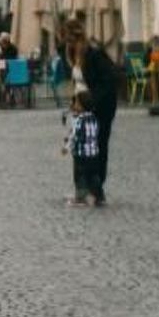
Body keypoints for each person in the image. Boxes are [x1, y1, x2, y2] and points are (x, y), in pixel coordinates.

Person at [63, 20, 122, 201]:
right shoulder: (70, 54)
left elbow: (110, 79)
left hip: (101, 106)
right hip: (81, 107)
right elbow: (77, 82)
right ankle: (81, 186)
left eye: (66, 38)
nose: (65, 43)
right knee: (79, 144)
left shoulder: (94, 54)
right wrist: (75, 102)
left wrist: (91, 100)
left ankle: (96, 186)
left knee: (98, 144)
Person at [62, 87, 107, 207]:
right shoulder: (94, 118)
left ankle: (81, 197)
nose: (74, 105)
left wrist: (66, 148)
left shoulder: (79, 120)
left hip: (81, 155)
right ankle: (99, 195)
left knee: (80, 175)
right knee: (94, 176)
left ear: (82, 105)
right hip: (93, 154)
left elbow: (74, 136)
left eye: (76, 102)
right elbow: (96, 134)